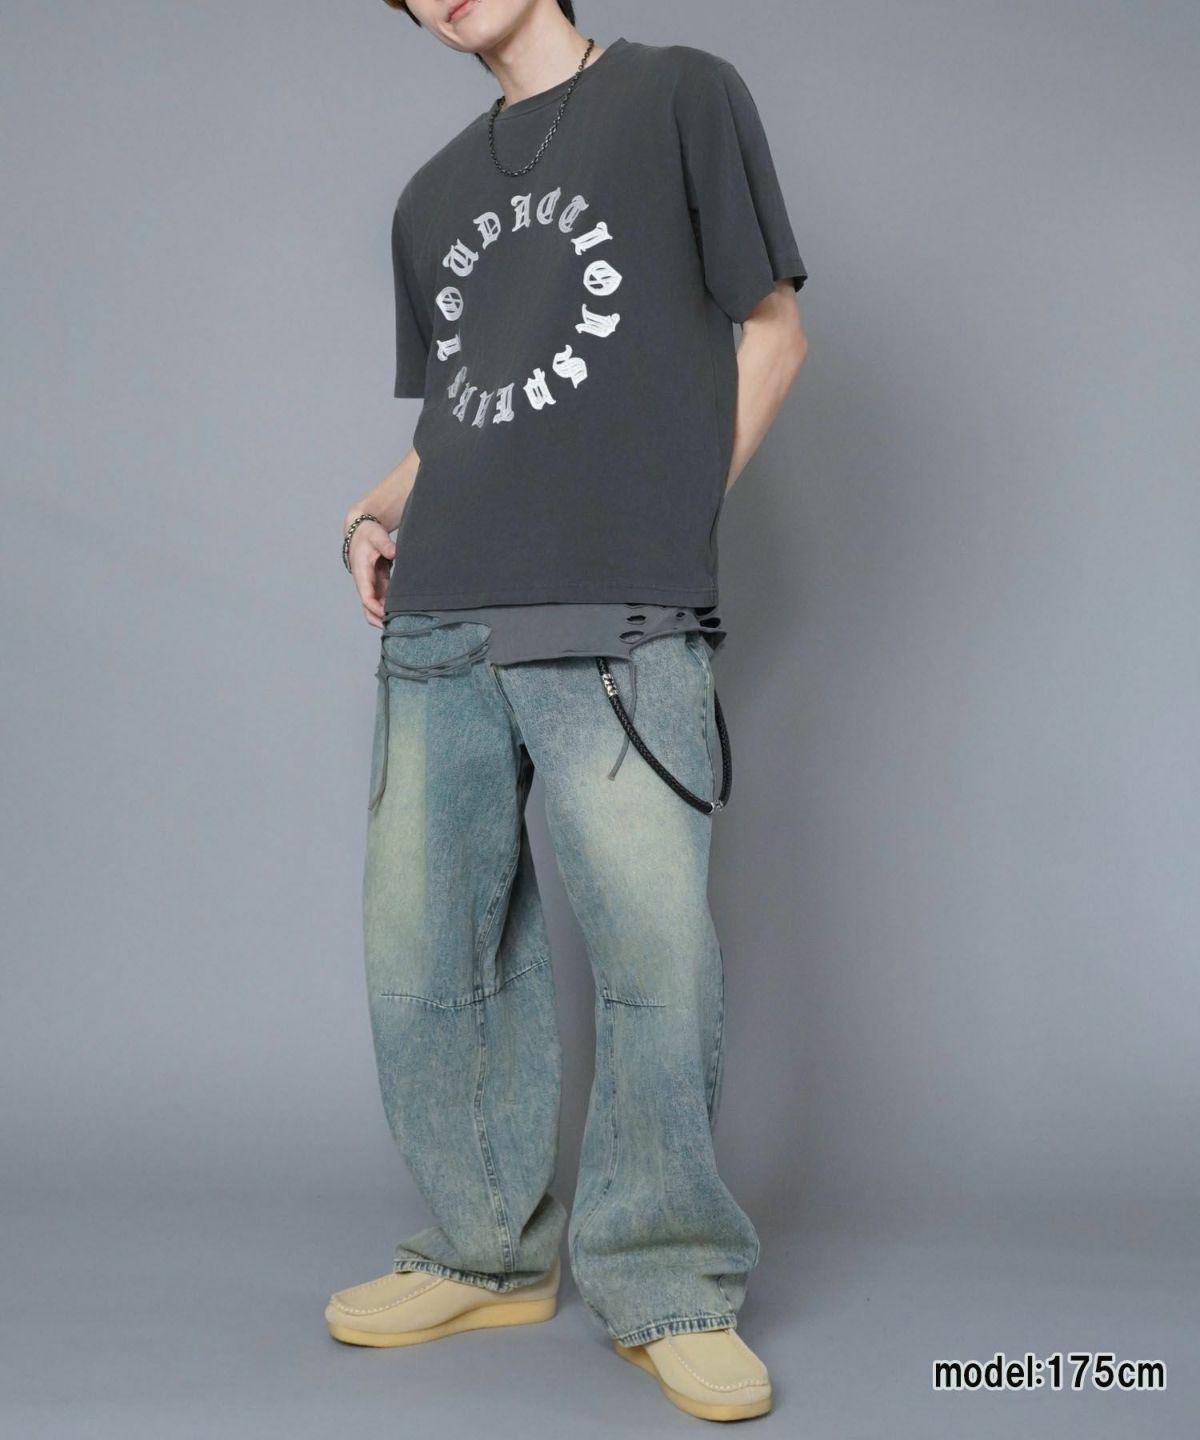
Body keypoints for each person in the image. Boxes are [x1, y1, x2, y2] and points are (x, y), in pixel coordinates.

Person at [326, 0, 809, 1421]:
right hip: (440, 621)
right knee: (426, 956)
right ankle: (489, 1253)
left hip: (617, 615)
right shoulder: (429, 197)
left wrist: (662, 525)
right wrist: (372, 509)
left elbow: (773, 335)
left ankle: (669, 1281)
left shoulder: (678, 95)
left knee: (656, 960)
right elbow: (464, 418)